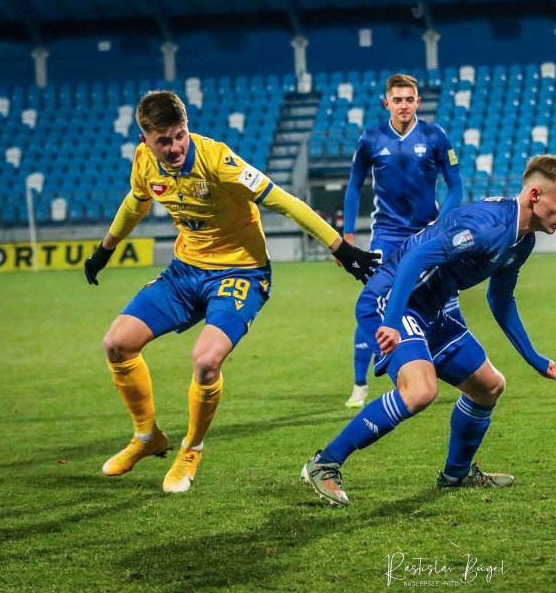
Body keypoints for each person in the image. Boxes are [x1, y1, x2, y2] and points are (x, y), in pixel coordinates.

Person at [84, 90, 379, 493]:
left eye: (180, 136)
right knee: (117, 343)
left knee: (206, 361)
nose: (174, 147)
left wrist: (340, 248)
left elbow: (285, 202)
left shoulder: (217, 160)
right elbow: (136, 203)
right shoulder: (144, 162)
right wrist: (105, 249)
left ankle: (191, 449)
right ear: (145, 140)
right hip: (186, 270)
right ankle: (147, 436)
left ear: (187, 128)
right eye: (163, 140)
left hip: (241, 273)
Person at [301, 154, 556, 507]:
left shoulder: (522, 240)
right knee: (420, 391)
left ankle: (456, 473)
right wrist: (391, 321)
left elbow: (500, 300)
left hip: (430, 309)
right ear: (534, 195)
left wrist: (533, 357)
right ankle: (325, 462)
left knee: (489, 386)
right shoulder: (487, 225)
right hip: (392, 299)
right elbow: (415, 258)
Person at [341, 73, 464, 409]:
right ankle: (360, 384)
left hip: (427, 232)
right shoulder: (371, 139)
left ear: (418, 102)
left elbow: (456, 187)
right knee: (374, 299)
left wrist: (440, 224)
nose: (404, 105)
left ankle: (461, 372)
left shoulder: (435, 136)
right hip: (387, 235)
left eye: (410, 99)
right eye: (398, 100)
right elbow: (353, 186)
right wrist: (348, 234)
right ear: (387, 103)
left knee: (446, 298)